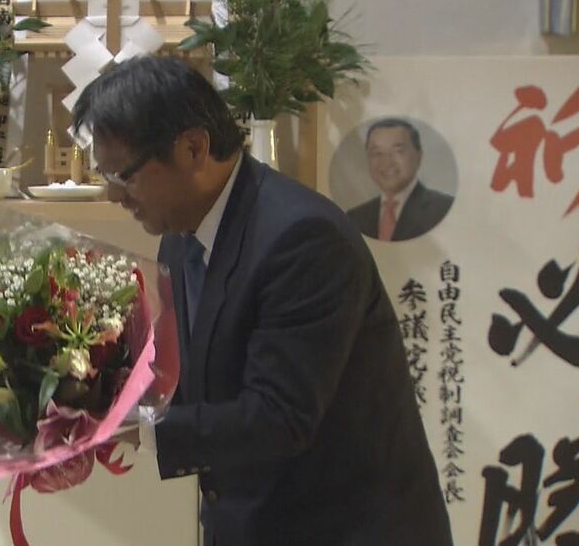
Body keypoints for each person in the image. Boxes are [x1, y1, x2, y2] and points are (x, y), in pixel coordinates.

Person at [74, 57, 452, 545]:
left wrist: (130, 427)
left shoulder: (302, 238)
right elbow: (195, 383)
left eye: (122, 175)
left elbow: (278, 417)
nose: (113, 195)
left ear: (193, 148)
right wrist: (73, 389)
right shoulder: (180, 238)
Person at [346, 117, 454, 242]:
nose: (386, 162)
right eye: (377, 153)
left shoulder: (443, 209)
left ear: (419, 156)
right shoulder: (354, 217)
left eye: (398, 151)